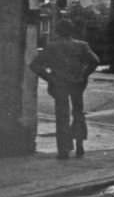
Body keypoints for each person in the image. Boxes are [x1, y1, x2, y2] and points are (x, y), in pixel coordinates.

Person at [29, 19, 99, 159]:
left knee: (62, 116)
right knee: (78, 113)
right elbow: (95, 61)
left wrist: (49, 77)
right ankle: (79, 145)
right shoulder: (82, 45)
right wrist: (83, 75)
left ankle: (63, 150)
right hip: (77, 84)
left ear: (58, 31)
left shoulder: (52, 47)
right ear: (71, 31)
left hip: (59, 84)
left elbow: (34, 65)